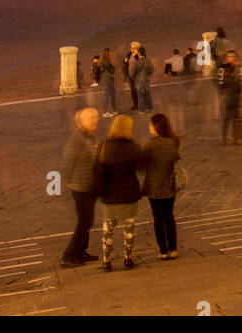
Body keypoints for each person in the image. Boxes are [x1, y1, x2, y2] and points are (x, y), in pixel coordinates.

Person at [98, 114, 143, 271]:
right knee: (129, 227)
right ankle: (127, 258)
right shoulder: (133, 147)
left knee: (108, 229)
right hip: (129, 192)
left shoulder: (104, 146)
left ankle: (106, 260)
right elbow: (141, 167)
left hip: (109, 193)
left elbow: (96, 167)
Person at [61, 108, 100, 266]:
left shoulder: (90, 136)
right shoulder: (76, 138)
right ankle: (68, 256)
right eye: (92, 119)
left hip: (89, 185)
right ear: (82, 121)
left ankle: (82, 251)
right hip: (80, 186)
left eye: (96, 118)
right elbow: (67, 161)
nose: (96, 121)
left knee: (87, 220)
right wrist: (66, 180)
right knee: (85, 221)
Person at [142, 112, 181, 260]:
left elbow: (143, 163)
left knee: (158, 219)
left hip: (154, 187)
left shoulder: (150, 144)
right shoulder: (173, 142)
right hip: (170, 184)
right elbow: (176, 159)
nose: (149, 127)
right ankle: (173, 249)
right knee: (169, 216)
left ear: (156, 127)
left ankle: (163, 250)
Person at [218, 52, 242, 144]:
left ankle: (235, 138)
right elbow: (221, 83)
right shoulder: (222, 68)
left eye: (232, 56)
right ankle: (224, 139)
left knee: (235, 119)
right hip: (226, 97)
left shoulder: (238, 67)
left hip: (235, 97)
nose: (231, 58)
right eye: (229, 56)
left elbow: (240, 82)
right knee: (226, 118)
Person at [134, 46, 154, 112]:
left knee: (140, 96)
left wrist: (134, 76)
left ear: (139, 53)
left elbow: (132, 72)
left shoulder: (137, 62)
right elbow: (151, 69)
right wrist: (148, 75)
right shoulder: (148, 60)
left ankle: (142, 110)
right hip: (146, 79)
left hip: (138, 81)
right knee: (148, 94)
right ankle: (150, 108)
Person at [99, 48, 117, 116]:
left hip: (106, 79)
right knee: (106, 95)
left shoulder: (102, 61)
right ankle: (105, 112)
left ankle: (114, 109)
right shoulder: (107, 62)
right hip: (108, 80)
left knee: (113, 94)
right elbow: (112, 70)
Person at [125, 42, 141, 110]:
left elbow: (141, 62)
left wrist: (135, 55)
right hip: (130, 76)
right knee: (133, 91)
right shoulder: (129, 54)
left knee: (139, 90)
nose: (132, 49)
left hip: (137, 76)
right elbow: (125, 62)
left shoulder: (140, 55)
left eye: (134, 48)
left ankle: (143, 104)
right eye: (131, 47)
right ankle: (135, 105)